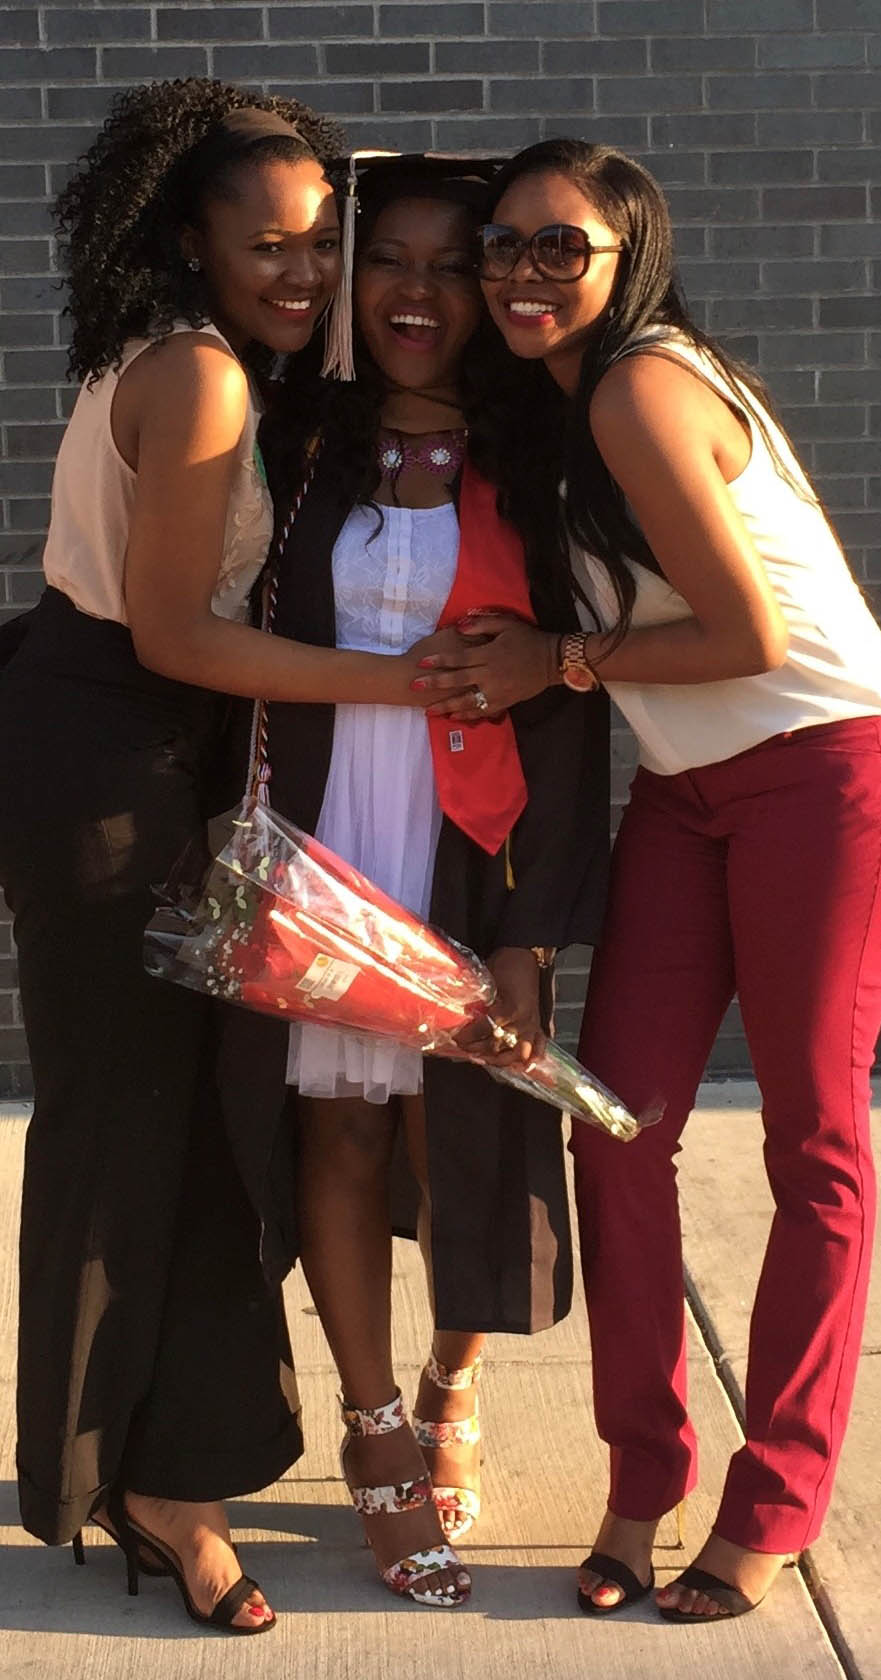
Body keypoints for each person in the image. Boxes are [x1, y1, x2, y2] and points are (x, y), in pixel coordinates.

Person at [0, 85, 471, 1635]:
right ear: (185, 237)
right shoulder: (198, 376)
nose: (301, 265)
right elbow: (175, 634)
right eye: (264, 238)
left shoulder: (205, 359)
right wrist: (412, 683)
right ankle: (141, 1489)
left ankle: (168, 1471)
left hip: (140, 747)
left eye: (320, 236)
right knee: (132, 1127)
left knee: (201, 1131)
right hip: (112, 766)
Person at [413, 136, 881, 1624]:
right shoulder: (554, 416)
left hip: (822, 768)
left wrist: (555, 658)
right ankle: (640, 1477)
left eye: (563, 247)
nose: (522, 273)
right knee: (613, 1126)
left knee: (813, 1138)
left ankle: (773, 1502)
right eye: (503, 247)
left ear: (630, 258)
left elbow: (745, 633)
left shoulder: (640, 385)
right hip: (687, 791)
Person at [211, 152, 610, 1609]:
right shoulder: (293, 438)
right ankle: (376, 1440)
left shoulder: (543, 456)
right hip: (328, 835)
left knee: (464, 1153)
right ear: (353, 278)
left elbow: (571, 711)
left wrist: (532, 937)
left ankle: (454, 1379)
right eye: (393, 262)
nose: (417, 293)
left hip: (466, 842)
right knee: (339, 1137)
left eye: (453, 265)